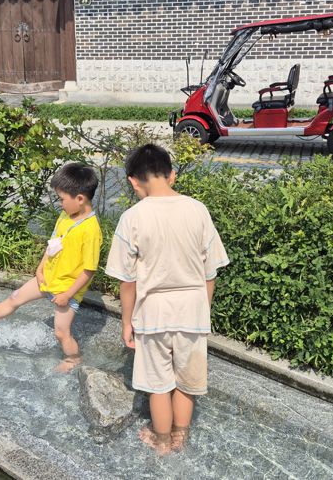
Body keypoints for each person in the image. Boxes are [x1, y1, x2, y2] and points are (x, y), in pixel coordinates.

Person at [105, 143, 229, 455]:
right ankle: (180, 438)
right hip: (193, 308)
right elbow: (210, 273)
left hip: (153, 313)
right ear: (172, 175)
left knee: (158, 385)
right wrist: (203, 311)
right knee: (187, 382)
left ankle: (160, 441)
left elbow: (128, 280)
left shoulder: (132, 218)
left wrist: (126, 322)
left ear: (134, 181)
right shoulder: (197, 209)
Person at [0, 162, 102, 372]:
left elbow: (89, 270)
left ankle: (74, 359)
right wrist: (40, 268)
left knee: (61, 332)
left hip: (67, 289)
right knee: (15, 298)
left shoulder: (91, 230)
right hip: (47, 278)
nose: (60, 204)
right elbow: (53, 243)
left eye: (62, 199)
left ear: (80, 199)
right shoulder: (65, 216)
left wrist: (68, 294)